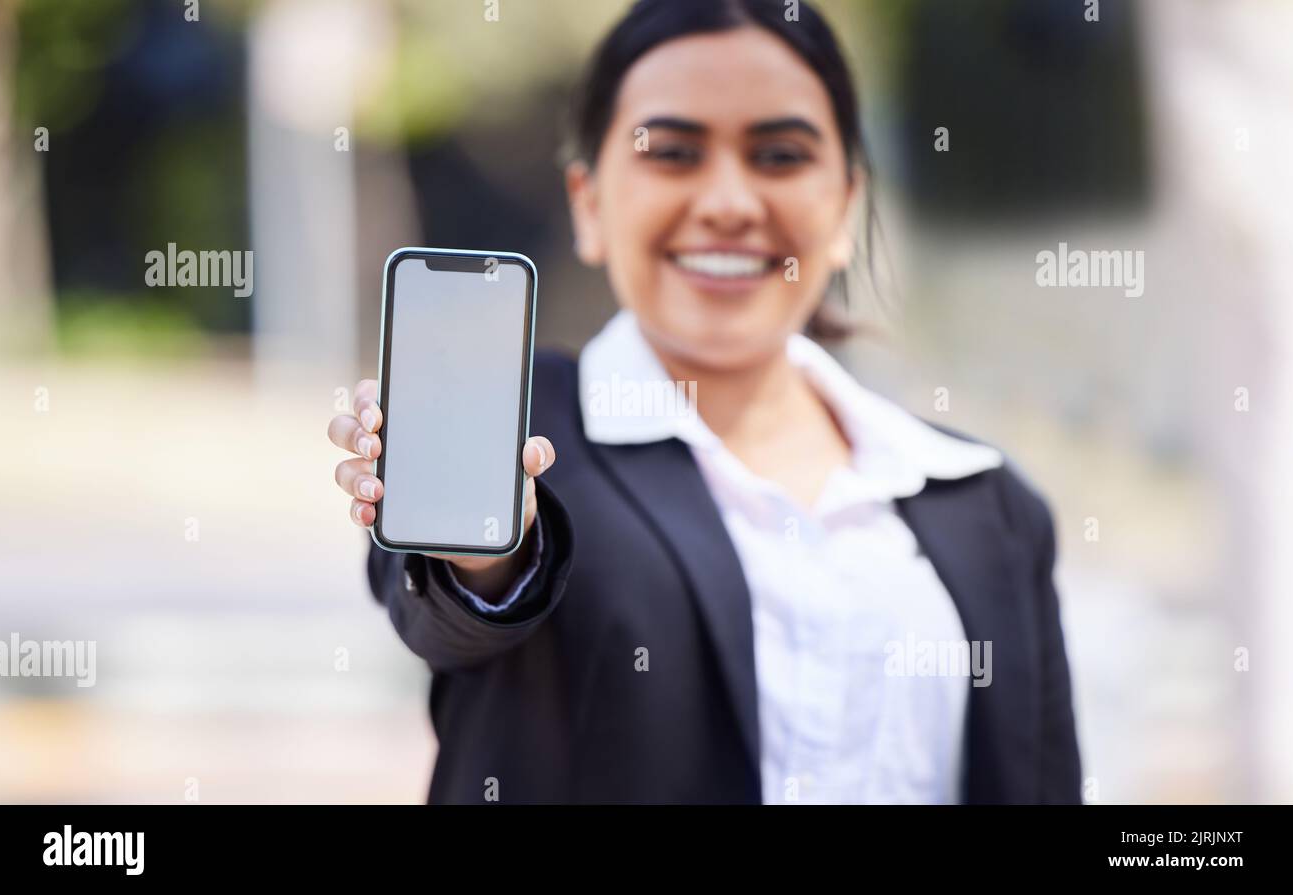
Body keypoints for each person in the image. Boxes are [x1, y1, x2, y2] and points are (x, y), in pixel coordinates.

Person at [326, 0, 1081, 804]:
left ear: (846, 210)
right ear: (589, 204)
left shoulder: (985, 502)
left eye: (781, 154)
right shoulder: (527, 434)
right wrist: (487, 548)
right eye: (673, 152)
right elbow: (458, 608)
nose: (727, 200)